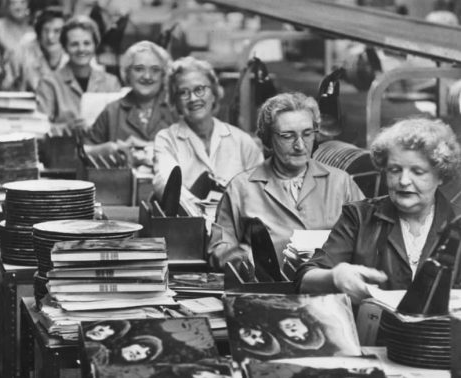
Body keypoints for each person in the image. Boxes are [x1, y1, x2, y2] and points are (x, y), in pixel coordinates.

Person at [297, 117, 461, 304]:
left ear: (440, 175)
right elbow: (304, 279)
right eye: (394, 170)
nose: (403, 181)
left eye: (417, 171)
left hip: (442, 333)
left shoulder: (458, 223)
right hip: (372, 332)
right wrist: (335, 276)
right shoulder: (359, 217)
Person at [208, 92, 363, 273]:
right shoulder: (241, 187)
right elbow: (218, 251)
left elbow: (370, 242)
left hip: (330, 293)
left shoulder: (341, 183)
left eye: (307, 134)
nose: (300, 145)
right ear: (268, 138)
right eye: (288, 136)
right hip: (270, 294)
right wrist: (248, 260)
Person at [153, 56, 263, 200]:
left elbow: (261, 188)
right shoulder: (167, 139)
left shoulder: (242, 141)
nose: (193, 98)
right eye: (183, 92)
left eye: (199, 89)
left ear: (214, 93)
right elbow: (166, 184)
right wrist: (197, 208)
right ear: (176, 102)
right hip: (190, 220)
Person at [85, 40, 176, 166]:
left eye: (155, 70)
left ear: (163, 75)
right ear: (127, 73)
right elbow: (82, 152)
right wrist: (106, 149)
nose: (147, 76)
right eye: (139, 69)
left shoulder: (175, 109)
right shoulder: (111, 111)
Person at [36, 15, 121, 132]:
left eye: (87, 43)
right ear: (65, 48)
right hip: (64, 148)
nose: (81, 49)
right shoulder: (49, 83)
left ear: (95, 46)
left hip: (104, 149)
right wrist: (67, 128)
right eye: (74, 44)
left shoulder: (111, 83)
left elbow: (119, 125)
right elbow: (39, 128)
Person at [0, 7, 68, 92]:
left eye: (57, 31)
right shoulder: (23, 52)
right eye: (46, 30)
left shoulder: (72, 55)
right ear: (39, 32)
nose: (50, 37)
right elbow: (5, 86)